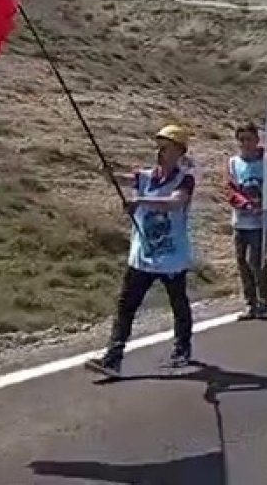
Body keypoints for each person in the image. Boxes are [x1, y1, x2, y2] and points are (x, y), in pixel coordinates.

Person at [86, 125, 197, 377]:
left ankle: (182, 349)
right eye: (159, 146)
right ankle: (113, 358)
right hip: (142, 256)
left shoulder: (185, 180)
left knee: (178, 304)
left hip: (171, 257)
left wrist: (141, 201)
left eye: (166, 147)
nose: (160, 152)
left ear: (179, 152)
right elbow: (120, 179)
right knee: (126, 306)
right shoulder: (145, 177)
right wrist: (108, 173)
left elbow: (175, 202)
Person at [226, 122, 267, 318]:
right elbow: (230, 189)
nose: (245, 143)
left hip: (265, 221)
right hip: (242, 220)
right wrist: (246, 205)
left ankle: (264, 297)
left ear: (257, 140)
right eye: (242, 140)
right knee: (242, 262)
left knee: (254, 261)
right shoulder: (233, 163)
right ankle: (251, 302)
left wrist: (265, 203)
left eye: (249, 139)